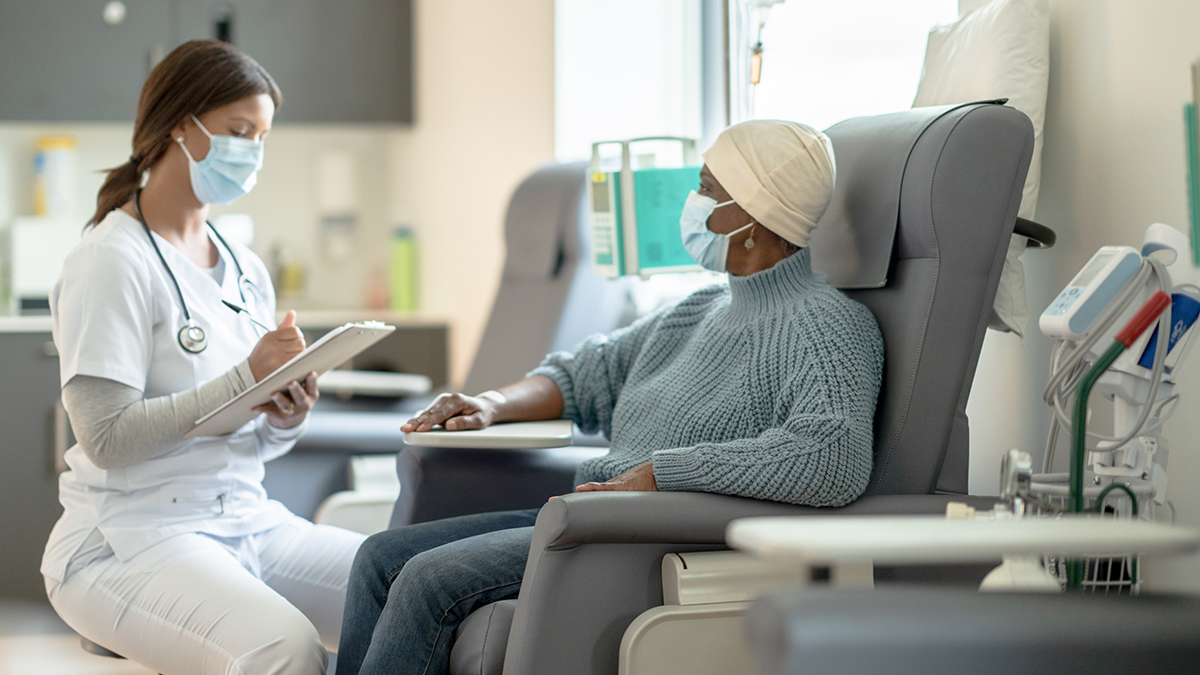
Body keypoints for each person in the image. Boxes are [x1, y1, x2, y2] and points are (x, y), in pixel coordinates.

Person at [334, 119, 885, 675]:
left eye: (708, 191)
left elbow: (831, 456)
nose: (692, 205)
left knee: (429, 581)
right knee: (377, 558)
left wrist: (657, 473)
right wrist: (494, 404)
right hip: (591, 516)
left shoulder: (827, 325)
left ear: (753, 219)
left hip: (646, 535)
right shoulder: (697, 309)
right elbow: (586, 372)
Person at [42, 40, 366, 675]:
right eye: (238, 131)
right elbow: (105, 439)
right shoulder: (112, 260)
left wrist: (284, 413)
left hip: (247, 517)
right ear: (178, 127)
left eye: (261, 136)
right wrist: (247, 377)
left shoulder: (245, 267)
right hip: (128, 539)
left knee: (408, 588)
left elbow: (252, 443)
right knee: (283, 648)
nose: (251, 151)